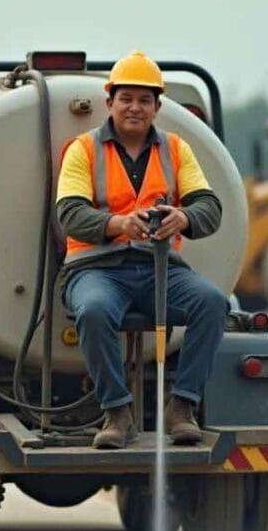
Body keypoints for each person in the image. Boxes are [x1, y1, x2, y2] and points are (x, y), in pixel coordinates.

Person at [57, 51, 227, 449]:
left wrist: (182, 218)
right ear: (109, 102)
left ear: (157, 106)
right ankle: (117, 413)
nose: (135, 107)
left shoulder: (176, 149)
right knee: (94, 310)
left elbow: (210, 208)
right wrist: (118, 224)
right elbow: (70, 214)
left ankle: (182, 407)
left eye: (144, 100)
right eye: (127, 98)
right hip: (96, 270)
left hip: (161, 268)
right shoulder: (82, 150)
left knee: (214, 304)